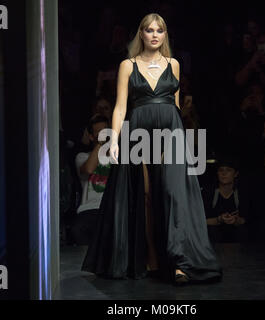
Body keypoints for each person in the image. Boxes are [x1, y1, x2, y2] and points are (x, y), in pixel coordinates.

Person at [81, 13, 222, 285]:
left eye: (160, 30)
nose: (155, 34)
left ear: (165, 35)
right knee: (145, 196)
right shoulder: (127, 65)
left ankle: (181, 262)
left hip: (170, 129)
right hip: (138, 132)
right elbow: (121, 106)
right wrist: (114, 140)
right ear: (141, 34)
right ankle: (151, 258)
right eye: (149, 30)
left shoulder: (174, 65)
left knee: (172, 193)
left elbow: (176, 106)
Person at [69, 115, 111, 245]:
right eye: (100, 133)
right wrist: (101, 143)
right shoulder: (82, 157)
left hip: (111, 209)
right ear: (92, 137)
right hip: (89, 210)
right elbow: (88, 169)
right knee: (78, 229)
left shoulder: (119, 157)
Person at [203, 157, 247, 243]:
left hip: (235, 234)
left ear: (235, 174)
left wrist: (236, 220)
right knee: (212, 231)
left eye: (228, 170)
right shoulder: (209, 193)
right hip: (214, 235)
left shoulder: (241, 193)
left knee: (242, 231)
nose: (224, 173)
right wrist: (219, 219)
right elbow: (201, 221)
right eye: (221, 170)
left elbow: (246, 219)